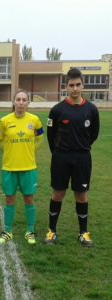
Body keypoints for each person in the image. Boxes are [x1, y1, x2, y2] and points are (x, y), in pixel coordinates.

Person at [45, 68, 100, 247]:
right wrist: (59, 152)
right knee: (58, 194)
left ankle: (83, 233)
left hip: (82, 158)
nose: (75, 88)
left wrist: (81, 147)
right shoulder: (57, 110)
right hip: (61, 157)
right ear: (65, 87)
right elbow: (50, 135)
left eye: (78, 85)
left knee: (81, 195)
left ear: (82, 85)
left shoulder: (91, 110)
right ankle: (51, 231)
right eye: (71, 85)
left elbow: (94, 133)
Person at [0, 90, 44, 245]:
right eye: (18, 99)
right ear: (13, 101)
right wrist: (9, 151)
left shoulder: (35, 120)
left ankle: (30, 231)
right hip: (9, 167)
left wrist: (29, 151)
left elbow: (40, 138)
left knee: (29, 198)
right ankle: (7, 231)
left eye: (24, 100)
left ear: (28, 103)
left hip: (28, 167)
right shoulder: (4, 121)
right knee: (9, 199)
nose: (21, 102)